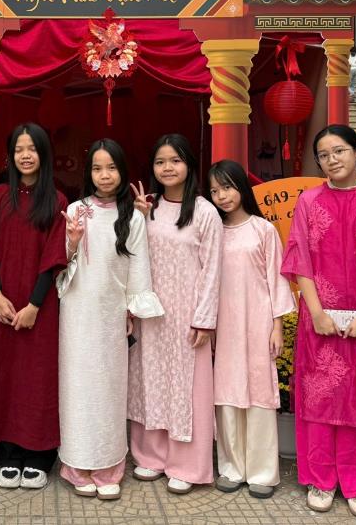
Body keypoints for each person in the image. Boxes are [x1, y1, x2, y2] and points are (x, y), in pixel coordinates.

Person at [281, 124, 356, 520]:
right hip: (319, 317)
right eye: (323, 154)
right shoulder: (309, 202)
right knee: (319, 398)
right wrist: (315, 312)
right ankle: (320, 479)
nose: (331, 159)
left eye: (338, 151)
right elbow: (300, 259)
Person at [58, 138, 163, 501]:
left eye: (112, 168)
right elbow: (63, 266)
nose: (105, 175)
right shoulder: (75, 210)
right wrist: (72, 242)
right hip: (77, 313)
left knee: (109, 389)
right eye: (98, 168)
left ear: (122, 171)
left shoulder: (132, 217)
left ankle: (108, 465)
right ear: (89, 173)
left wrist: (132, 310)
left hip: (111, 316)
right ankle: (76, 464)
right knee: (78, 387)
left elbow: (140, 267)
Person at [128, 134, 221, 495]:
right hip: (151, 312)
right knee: (150, 379)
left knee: (186, 387)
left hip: (187, 314)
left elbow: (213, 269)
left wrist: (205, 319)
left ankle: (187, 464)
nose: (168, 168)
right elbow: (133, 259)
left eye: (175, 161)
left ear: (188, 165)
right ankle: (151, 456)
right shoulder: (146, 207)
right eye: (160, 162)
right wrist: (139, 219)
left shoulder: (205, 211)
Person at [0, 123, 67, 491]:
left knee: (38, 378)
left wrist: (34, 304)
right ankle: (9, 453)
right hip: (1, 305)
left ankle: (39, 454)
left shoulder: (57, 201)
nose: (26, 155)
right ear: (11, 156)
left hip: (40, 306)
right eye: (19, 149)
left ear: (43, 155)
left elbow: (54, 255)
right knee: (5, 375)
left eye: (32, 149)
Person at [209, 159, 295, 500]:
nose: (222, 196)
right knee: (227, 393)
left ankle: (262, 471)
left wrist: (277, 327)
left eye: (227, 187)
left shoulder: (263, 230)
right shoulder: (212, 230)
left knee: (259, 394)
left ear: (242, 187)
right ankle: (231, 467)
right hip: (222, 324)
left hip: (258, 321)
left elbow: (276, 279)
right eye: (215, 190)